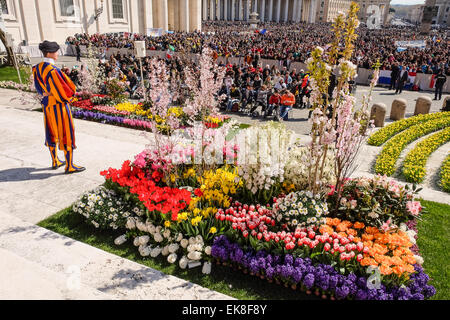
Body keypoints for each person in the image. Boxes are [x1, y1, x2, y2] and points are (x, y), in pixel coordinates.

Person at [33, 40, 85, 174]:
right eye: (56, 51)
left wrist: (45, 93)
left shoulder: (37, 67)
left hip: (47, 104)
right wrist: (71, 95)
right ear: (49, 53)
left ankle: (55, 160)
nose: (57, 53)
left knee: (50, 131)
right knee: (66, 132)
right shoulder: (53, 70)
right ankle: (69, 165)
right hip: (58, 105)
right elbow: (65, 90)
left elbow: (39, 88)